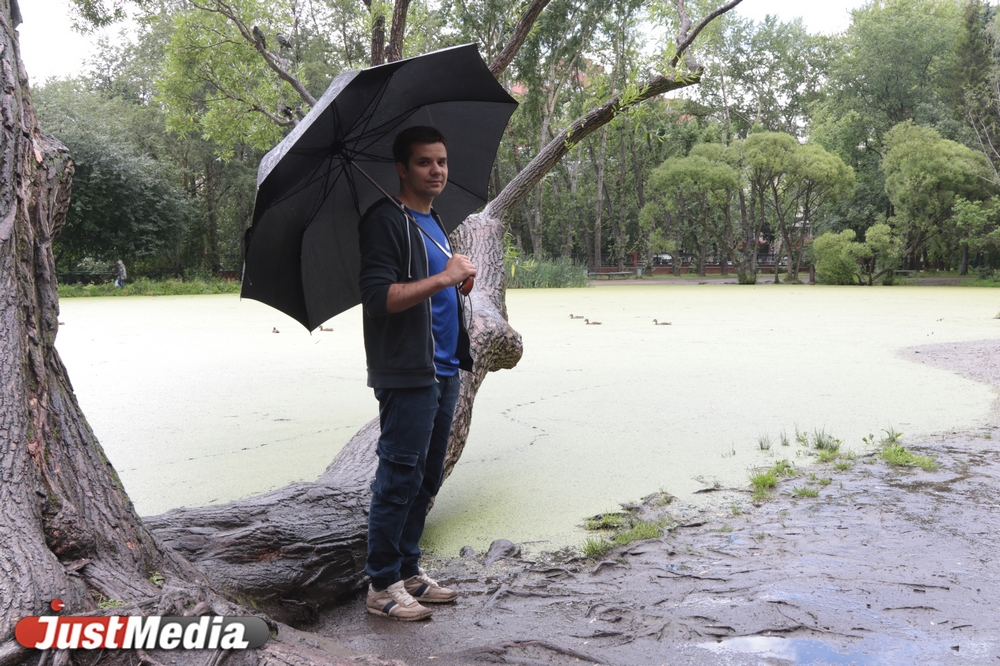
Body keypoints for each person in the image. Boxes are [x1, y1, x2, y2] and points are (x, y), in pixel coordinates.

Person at [357, 126, 476, 621]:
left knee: (427, 476)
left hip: (444, 367)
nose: (437, 171)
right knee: (398, 476)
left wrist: (455, 285)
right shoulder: (385, 220)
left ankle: (409, 572)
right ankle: (381, 584)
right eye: (425, 162)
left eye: (442, 161)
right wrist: (443, 278)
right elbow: (379, 298)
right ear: (402, 168)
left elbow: (430, 288)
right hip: (407, 370)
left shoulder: (433, 219)